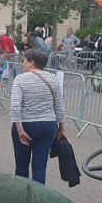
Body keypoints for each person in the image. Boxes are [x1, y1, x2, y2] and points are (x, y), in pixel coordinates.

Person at [10, 48, 66, 184]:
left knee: (22, 166)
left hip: (26, 123)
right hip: (48, 124)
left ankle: (22, 196)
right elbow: (59, 105)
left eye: (24, 60)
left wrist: (20, 130)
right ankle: (38, 198)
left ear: (31, 63)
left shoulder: (20, 79)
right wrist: (61, 129)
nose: (22, 63)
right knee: (40, 167)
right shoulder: (53, 79)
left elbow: (15, 106)